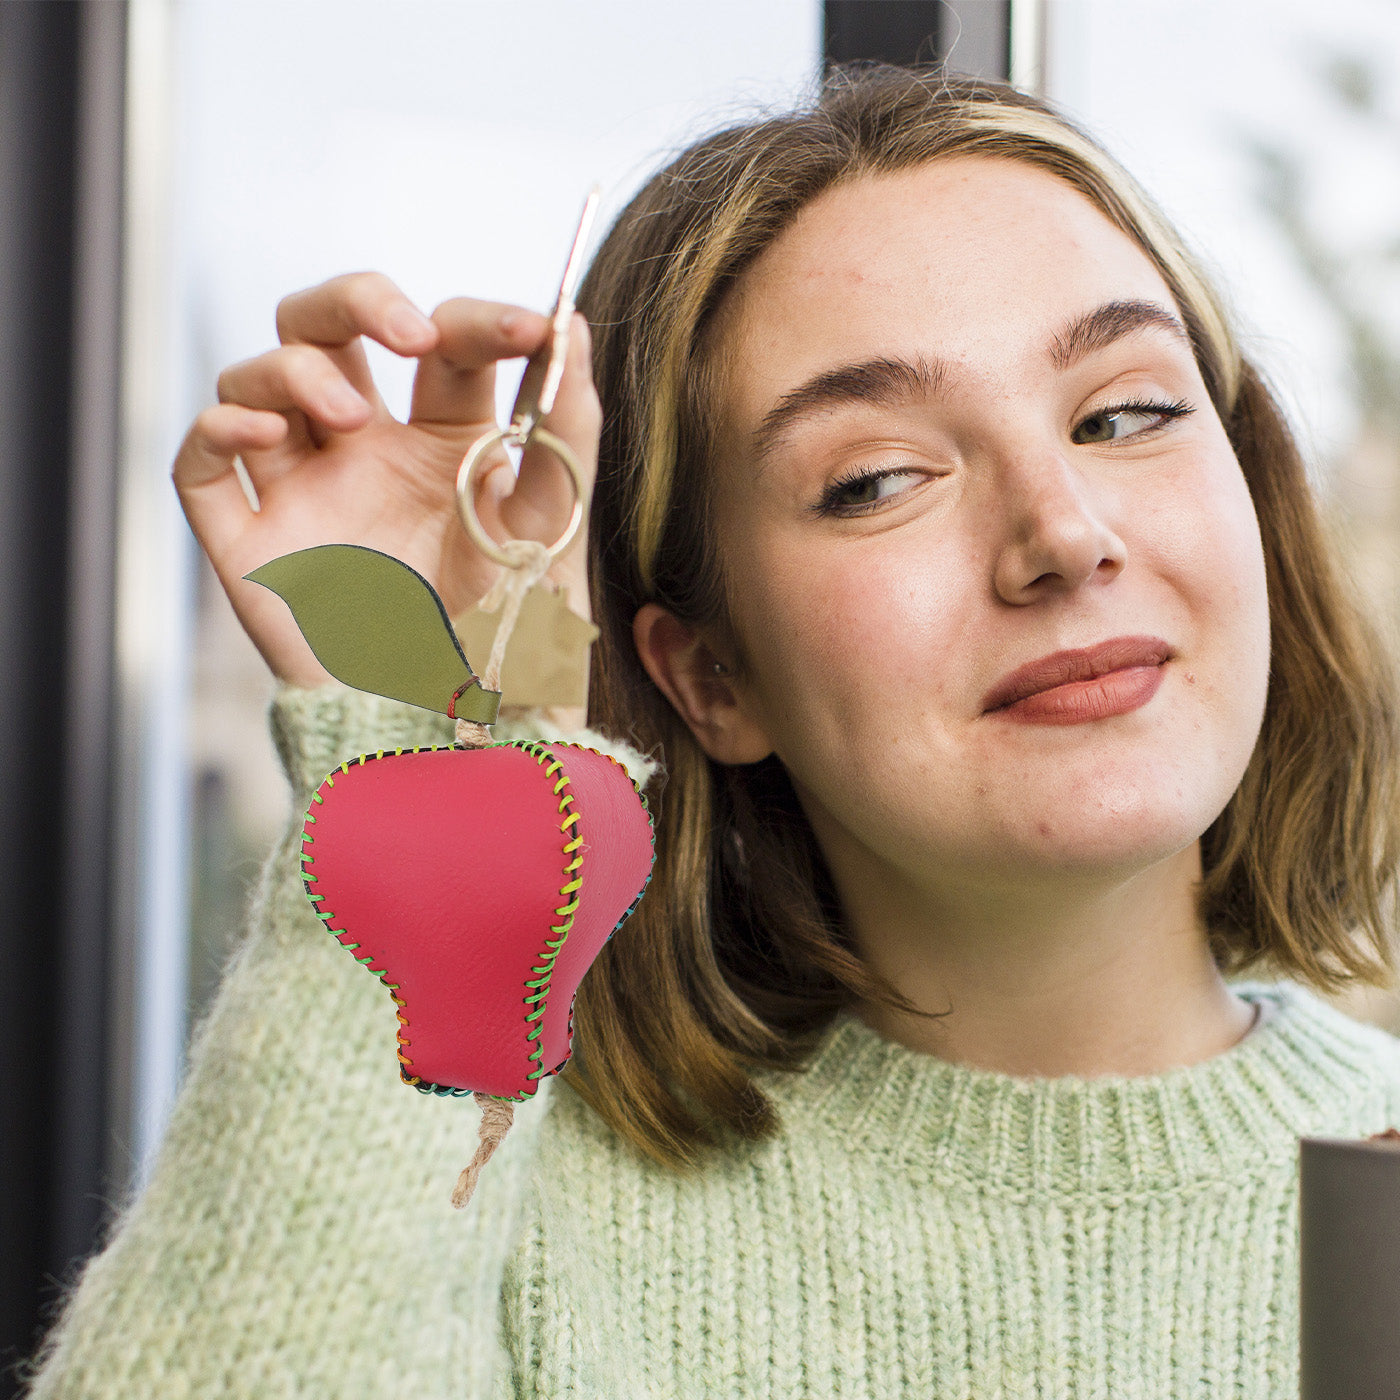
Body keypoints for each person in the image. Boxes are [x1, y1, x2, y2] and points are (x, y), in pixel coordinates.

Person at [21, 65, 1400, 1399]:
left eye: (1128, 412)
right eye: (874, 480)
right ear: (708, 678)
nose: (1064, 534)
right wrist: (432, 744)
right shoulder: (486, 1205)